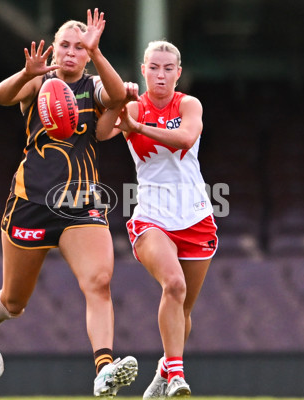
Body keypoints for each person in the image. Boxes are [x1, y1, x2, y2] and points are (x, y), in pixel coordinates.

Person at [0, 9, 138, 397]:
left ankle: (104, 368)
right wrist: (28, 72)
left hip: (81, 204)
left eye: (80, 47)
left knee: (99, 281)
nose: (71, 52)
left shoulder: (93, 86)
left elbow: (114, 96)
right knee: (13, 302)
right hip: (31, 203)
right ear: (55, 47)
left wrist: (98, 55)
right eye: (65, 44)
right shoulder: (40, 82)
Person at [96, 40, 218, 398]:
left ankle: (164, 372)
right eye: (153, 67)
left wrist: (138, 126)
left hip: (196, 217)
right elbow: (103, 133)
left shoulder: (189, 104)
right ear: (143, 69)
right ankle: (178, 377)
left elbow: (185, 138)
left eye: (168, 68)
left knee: (184, 309)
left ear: (178, 74)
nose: (160, 75)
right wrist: (118, 102)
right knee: (174, 286)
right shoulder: (132, 105)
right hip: (152, 217)